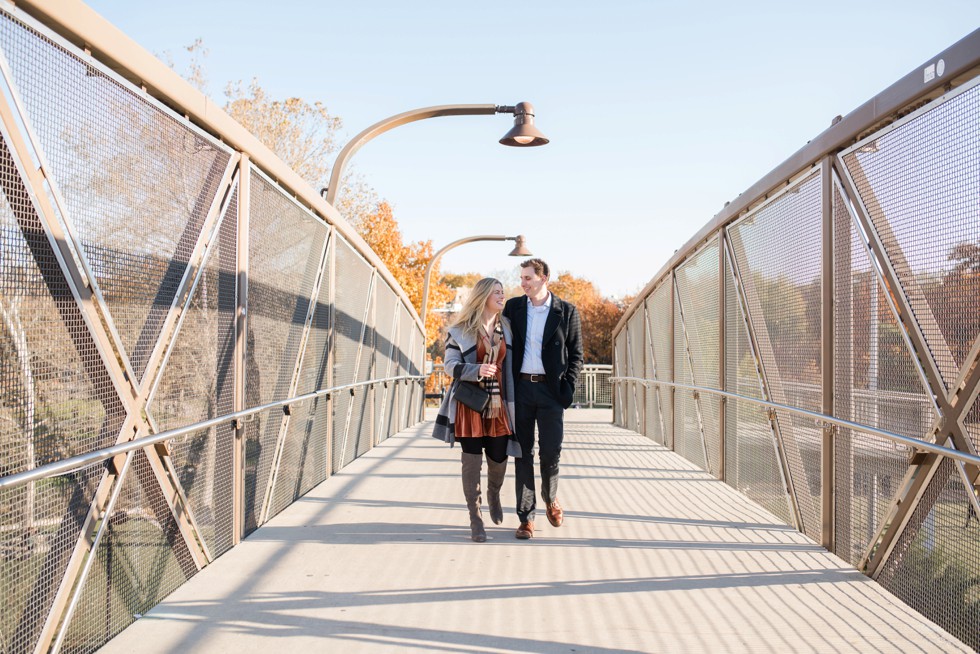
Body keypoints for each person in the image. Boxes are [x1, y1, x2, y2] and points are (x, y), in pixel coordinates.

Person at [433, 278, 520, 542]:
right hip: (469, 405)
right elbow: (450, 366)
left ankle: (494, 492)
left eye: (502, 292)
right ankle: (475, 517)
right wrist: (476, 370)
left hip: (499, 404)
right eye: (496, 292)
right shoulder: (460, 330)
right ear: (483, 297)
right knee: (471, 462)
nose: (502, 296)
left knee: (499, 458)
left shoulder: (507, 328)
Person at [503, 258, 583, 540]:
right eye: (522, 278)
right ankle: (526, 518)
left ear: (544, 278)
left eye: (528, 278)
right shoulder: (513, 308)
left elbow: (576, 356)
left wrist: (567, 388)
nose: (523, 283)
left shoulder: (566, 312)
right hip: (521, 389)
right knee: (522, 454)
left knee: (550, 453)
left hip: (551, 392)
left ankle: (551, 499)